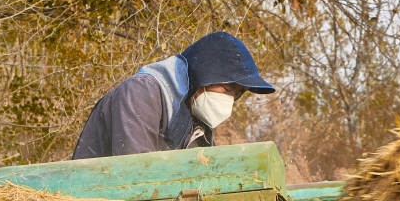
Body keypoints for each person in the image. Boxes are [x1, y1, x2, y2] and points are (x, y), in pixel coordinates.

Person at [71, 32, 274, 159]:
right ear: (204, 77)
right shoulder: (141, 93)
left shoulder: (195, 121)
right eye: (228, 90)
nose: (229, 101)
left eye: (236, 95)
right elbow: (136, 173)